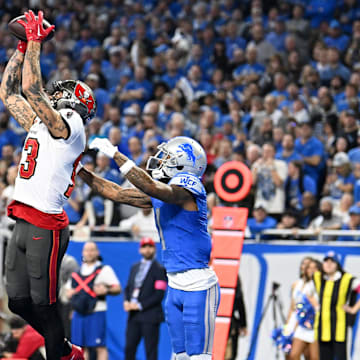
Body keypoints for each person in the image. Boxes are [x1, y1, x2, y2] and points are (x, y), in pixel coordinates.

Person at [0, 10, 96, 360]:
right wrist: (22, 47)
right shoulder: (46, 125)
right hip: (24, 220)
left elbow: (31, 88)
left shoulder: (73, 126)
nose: (60, 93)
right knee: (19, 302)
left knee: (44, 301)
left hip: (47, 223)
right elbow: (10, 94)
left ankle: (64, 354)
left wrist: (36, 41)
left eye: (67, 92)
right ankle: (65, 347)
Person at [77, 136, 220, 360]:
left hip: (198, 284)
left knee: (198, 356)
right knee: (179, 355)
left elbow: (152, 186)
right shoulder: (162, 193)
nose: (161, 161)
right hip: (175, 283)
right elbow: (115, 192)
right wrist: (79, 170)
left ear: (184, 164)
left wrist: (116, 155)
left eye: (168, 158)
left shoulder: (189, 187)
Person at [66, 241, 121, 360]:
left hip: (96, 312)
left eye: (92, 250)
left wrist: (106, 290)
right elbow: (67, 292)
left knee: (99, 346)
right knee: (80, 346)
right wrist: (70, 295)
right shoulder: (77, 272)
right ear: (82, 252)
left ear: (97, 252)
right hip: (79, 313)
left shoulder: (104, 270)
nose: (89, 253)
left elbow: (117, 288)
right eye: (87, 250)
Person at [124, 237, 167, 360]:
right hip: (133, 316)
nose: (147, 250)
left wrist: (139, 305)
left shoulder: (160, 269)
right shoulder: (135, 267)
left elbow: (159, 295)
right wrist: (126, 301)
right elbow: (128, 288)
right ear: (140, 250)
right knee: (129, 349)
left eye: (150, 246)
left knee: (150, 351)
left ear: (154, 249)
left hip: (150, 316)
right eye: (144, 247)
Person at [313, 251, 360, 360]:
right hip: (323, 326)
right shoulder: (318, 277)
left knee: (341, 357)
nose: (328, 264)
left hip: (340, 326)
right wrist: (315, 306)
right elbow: (307, 292)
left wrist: (353, 309)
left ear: (337, 264)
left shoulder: (347, 279)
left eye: (332, 261)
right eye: (326, 261)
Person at [285, 259, 320, 360]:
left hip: (313, 324)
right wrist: (287, 325)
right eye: (309, 267)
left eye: (315, 268)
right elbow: (292, 306)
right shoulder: (297, 284)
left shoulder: (319, 285)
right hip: (297, 322)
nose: (311, 270)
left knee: (312, 356)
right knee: (292, 354)